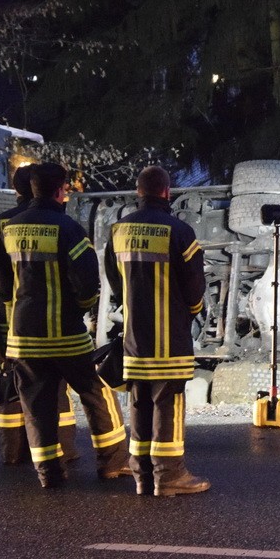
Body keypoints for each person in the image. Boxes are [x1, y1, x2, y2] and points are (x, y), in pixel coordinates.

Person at [0, 162, 129, 488]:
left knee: (36, 407)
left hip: (23, 338)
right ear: (60, 190)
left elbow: (2, 285)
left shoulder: (8, 229)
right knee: (97, 394)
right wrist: (79, 310)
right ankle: (113, 463)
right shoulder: (68, 228)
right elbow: (88, 285)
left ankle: (49, 473)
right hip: (66, 336)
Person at [104, 166, 209, 497]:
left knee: (139, 401)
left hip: (135, 337)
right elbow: (194, 287)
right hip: (170, 336)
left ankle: (141, 475)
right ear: (167, 192)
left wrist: (131, 304)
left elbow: (115, 278)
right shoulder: (179, 231)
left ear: (139, 192)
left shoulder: (118, 231)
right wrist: (191, 311)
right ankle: (169, 476)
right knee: (168, 403)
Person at [0, 164, 78, 465]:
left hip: (9, 317)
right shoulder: (56, 221)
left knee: (14, 382)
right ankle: (63, 450)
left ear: (17, 190)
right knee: (54, 386)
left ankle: (13, 451)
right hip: (48, 317)